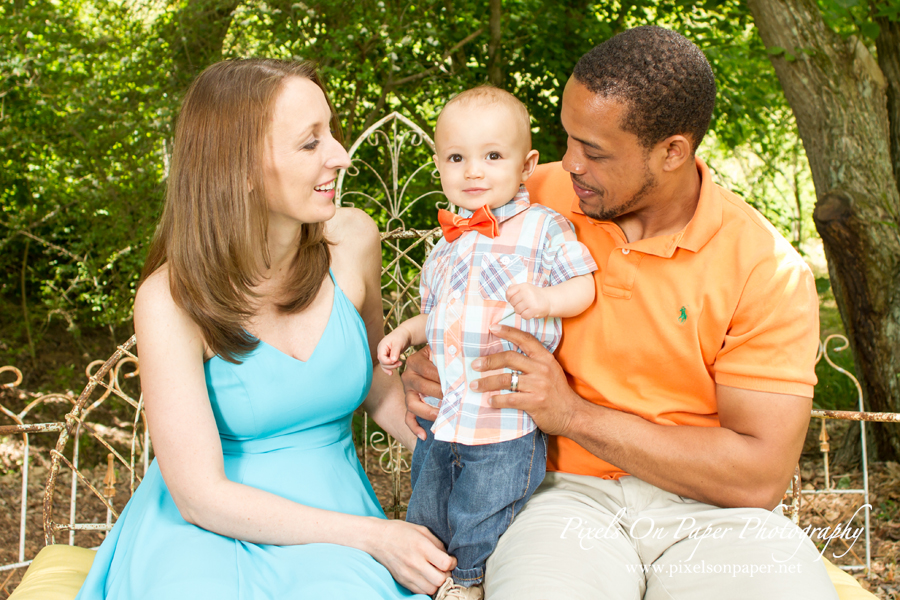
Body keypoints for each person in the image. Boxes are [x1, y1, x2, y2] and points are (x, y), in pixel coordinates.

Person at [402, 27, 840, 600]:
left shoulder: (764, 267)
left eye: (595, 151)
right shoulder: (527, 197)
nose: (569, 163)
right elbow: (459, 296)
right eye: (567, 138)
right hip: (561, 497)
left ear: (672, 151)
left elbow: (758, 473)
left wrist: (573, 414)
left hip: (715, 515)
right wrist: (433, 361)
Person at [74, 58, 455, 599]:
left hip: (333, 519)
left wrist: (453, 456)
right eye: (309, 143)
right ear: (242, 169)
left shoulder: (351, 242)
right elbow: (200, 496)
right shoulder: (169, 299)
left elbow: (376, 381)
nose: (340, 156)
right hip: (202, 529)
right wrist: (375, 536)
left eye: (332, 133)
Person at [376, 87, 596, 600]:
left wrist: (545, 300)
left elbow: (582, 285)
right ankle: (429, 581)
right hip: (445, 411)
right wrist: (405, 334)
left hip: (503, 412)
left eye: (492, 156)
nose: (473, 172)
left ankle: (470, 583)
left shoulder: (542, 227)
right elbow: (436, 318)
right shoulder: (445, 245)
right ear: (439, 164)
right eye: (457, 158)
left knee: (486, 504)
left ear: (527, 165)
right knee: (430, 501)